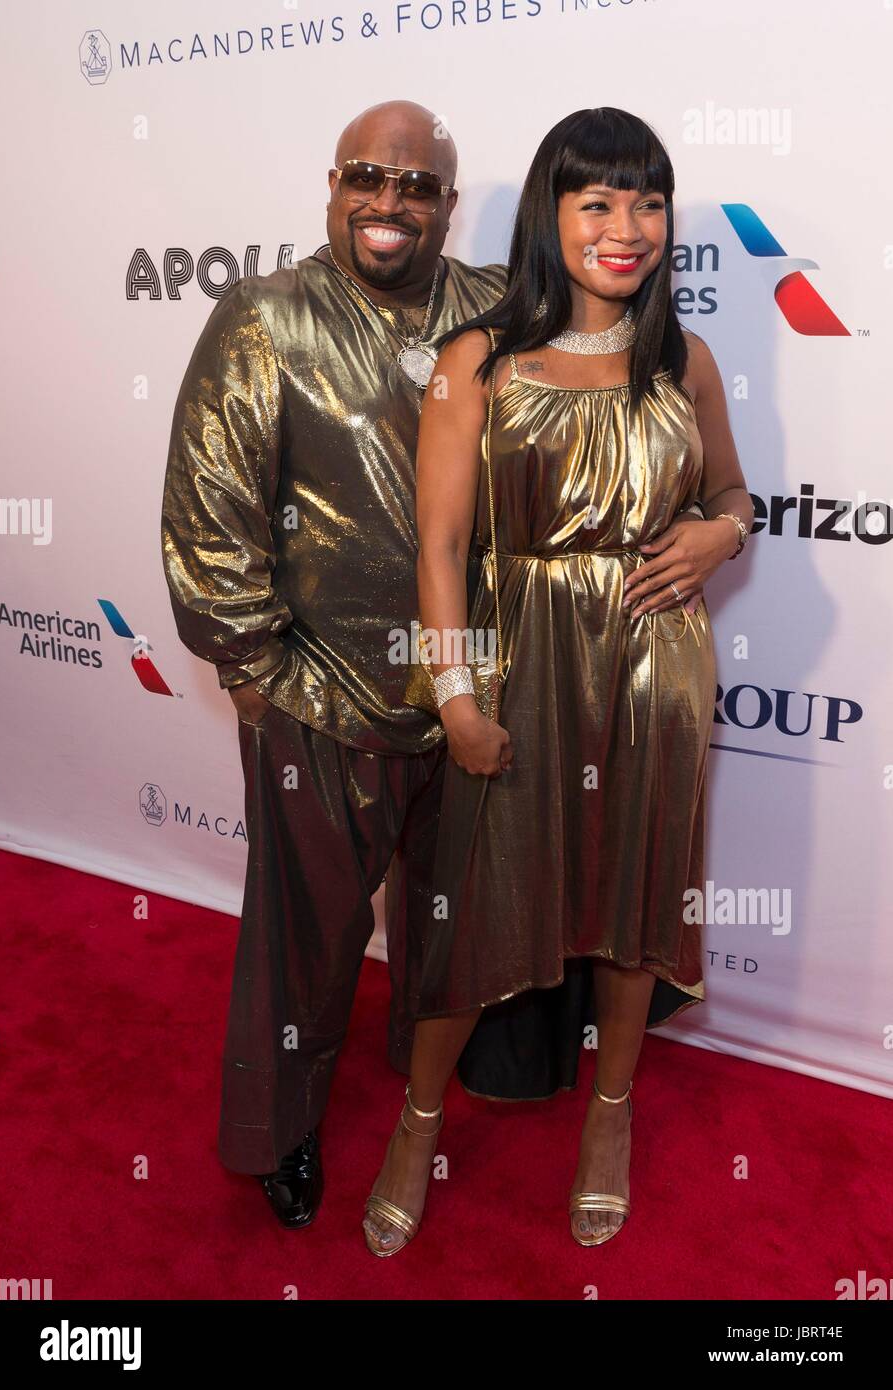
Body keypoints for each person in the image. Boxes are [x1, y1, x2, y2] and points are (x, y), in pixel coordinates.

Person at [362, 107, 753, 1255]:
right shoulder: (474, 359)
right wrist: (455, 696)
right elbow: (439, 548)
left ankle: (610, 1119)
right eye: (598, 202)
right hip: (519, 668)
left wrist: (719, 540)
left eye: (646, 202)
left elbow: (734, 498)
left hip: (655, 672)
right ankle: (415, 1121)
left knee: (634, 911)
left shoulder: (685, 358)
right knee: (476, 913)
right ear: (553, 212)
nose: (625, 228)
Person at [160, 100, 507, 1228]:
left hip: (468, 690)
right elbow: (213, 508)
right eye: (371, 176)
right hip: (318, 693)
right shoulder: (265, 317)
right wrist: (254, 669)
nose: (391, 203)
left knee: (451, 919)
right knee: (302, 940)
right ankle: (284, 1133)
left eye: (418, 187)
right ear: (333, 182)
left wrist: (720, 516)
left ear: (448, 205)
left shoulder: (499, 310)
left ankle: (429, 1090)